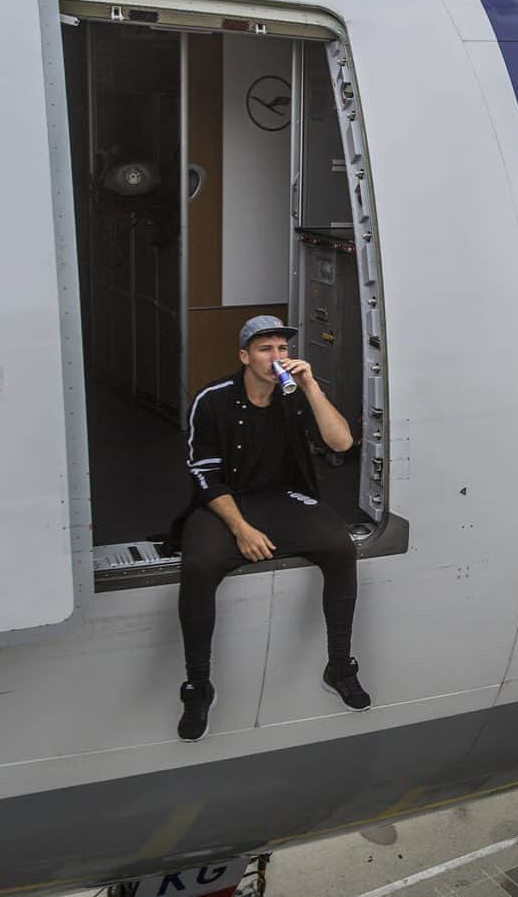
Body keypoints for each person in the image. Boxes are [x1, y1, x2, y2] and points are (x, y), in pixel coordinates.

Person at [175, 315, 369, 741]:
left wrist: (312, 388)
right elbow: (204, 475)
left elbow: (342, 444)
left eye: (282, 349)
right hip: (226, 503)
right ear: (245, 356)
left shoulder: (296, 395)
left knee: (340, 548)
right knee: (200, 564)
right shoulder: (212, 399)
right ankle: (198, 685)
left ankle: (339, 665)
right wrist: (241, 529)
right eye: (266, 349)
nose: (276, 357)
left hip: (284, 498)